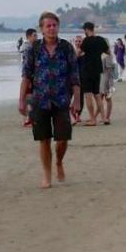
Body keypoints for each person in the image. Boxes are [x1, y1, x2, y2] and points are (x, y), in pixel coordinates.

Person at [18, 12, 80, 189]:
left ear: (58, 27)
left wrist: (77, 100)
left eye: (54, 25)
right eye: (48, 26)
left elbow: (75, 76)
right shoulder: (34, 49)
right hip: (40, 100)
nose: (52, 28)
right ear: (42, 29)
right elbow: (26, 76)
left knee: (63, 138)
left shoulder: (66, 48)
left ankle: (59, 161)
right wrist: (21, 100)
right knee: (43, 139)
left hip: (62, 99)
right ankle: (47, 175)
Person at [77, 22, 110, 126]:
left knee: (88, 95)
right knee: (97, 95)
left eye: (84, 30)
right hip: (97, 69)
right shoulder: (100, 40)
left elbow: (78, 53)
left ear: (87, 29)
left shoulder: (86, 40)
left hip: (87, 70)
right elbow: (108, 52)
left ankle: (93, 119)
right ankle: (104, 118)